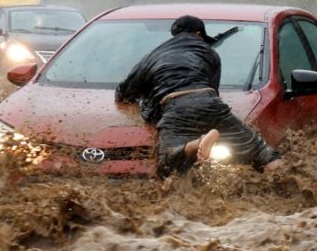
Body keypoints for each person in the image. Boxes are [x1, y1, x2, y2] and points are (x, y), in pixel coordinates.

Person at [115, 15, 284, 178]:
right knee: (263, 152)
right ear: (198, 34)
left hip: (176, 106)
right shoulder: (210, 53)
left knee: (166, 163)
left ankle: (197, 143)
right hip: (210, 102)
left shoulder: (152, 56)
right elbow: (212, 91)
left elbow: (124, 92)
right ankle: (290, 190)